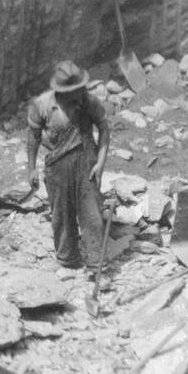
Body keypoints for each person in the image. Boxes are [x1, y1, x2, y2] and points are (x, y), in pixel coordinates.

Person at [26, 59, 110, 270]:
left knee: (92, 215)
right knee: (61, 215)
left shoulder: (89, 102)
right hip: (57, 166)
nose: (81, 91)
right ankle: (67, 260)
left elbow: (104, 129)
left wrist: (100, 163)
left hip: (86, 162)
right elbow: (33, 137)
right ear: (62, 91)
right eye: (76, 89)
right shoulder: (42, 105)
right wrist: (31, 168)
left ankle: (95, 263)